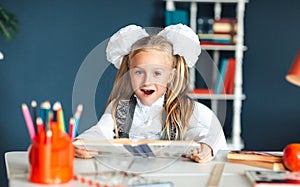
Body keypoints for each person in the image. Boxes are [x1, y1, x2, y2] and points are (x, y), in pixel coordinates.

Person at [75, 24, 227, 163]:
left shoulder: (185, 108)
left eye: (157, 73)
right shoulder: (119, 107)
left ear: (171, 76)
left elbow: (207, 132)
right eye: (139, 72)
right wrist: (82, 143)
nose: (147, 81)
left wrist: (206, 147)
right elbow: (100, 132)